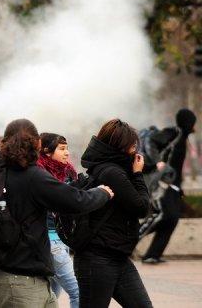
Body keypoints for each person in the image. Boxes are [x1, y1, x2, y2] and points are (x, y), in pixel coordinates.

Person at [0, 119, 114, 308]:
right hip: (21, 287)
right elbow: (76, 201)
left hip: (20, 284)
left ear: (4, 143)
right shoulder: (35, 177)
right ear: (37, 143)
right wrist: (102, 193)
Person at [75, 119, 152, 308]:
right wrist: (137, 174)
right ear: (120, 146)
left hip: (118, 257)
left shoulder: (108, 169)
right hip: (98, 259)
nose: (135, 151)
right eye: (132, 146)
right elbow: (142, 207)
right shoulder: (111, 172)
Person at [141, 108, 197, 264]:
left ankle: (153, 254)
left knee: (172, 219)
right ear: (188, 122)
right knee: (164, 215)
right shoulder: (173, 132)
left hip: (173, 185)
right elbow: (150, 141)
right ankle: (129, 241)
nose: (195, 126)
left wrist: (180, 187)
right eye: (193, 122)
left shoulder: (183, 137)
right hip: (163, 183)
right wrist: (158, 160)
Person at [37, 133, 79, 308]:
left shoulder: (66, 172)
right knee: (78, 292)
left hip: (61, 239)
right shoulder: (40, 175)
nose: (67, 153)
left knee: (50, 295)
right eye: (62, 149)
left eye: (67, 148)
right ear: (47, 151)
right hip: (50, 239)